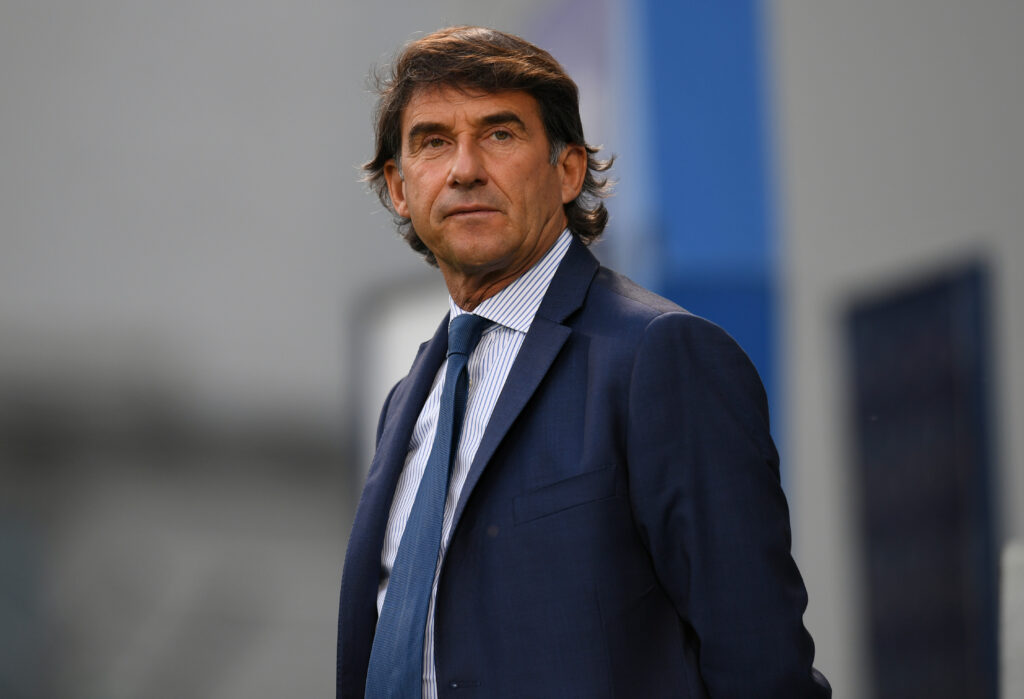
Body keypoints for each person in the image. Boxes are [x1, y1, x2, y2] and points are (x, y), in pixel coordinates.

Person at [337, 25, 831, 698]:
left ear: (568, 171)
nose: (464, 169)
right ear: (399, 187)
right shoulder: (408, 399)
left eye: (499, 134)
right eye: (433, 142)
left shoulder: (662, 356)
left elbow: (760, 664)